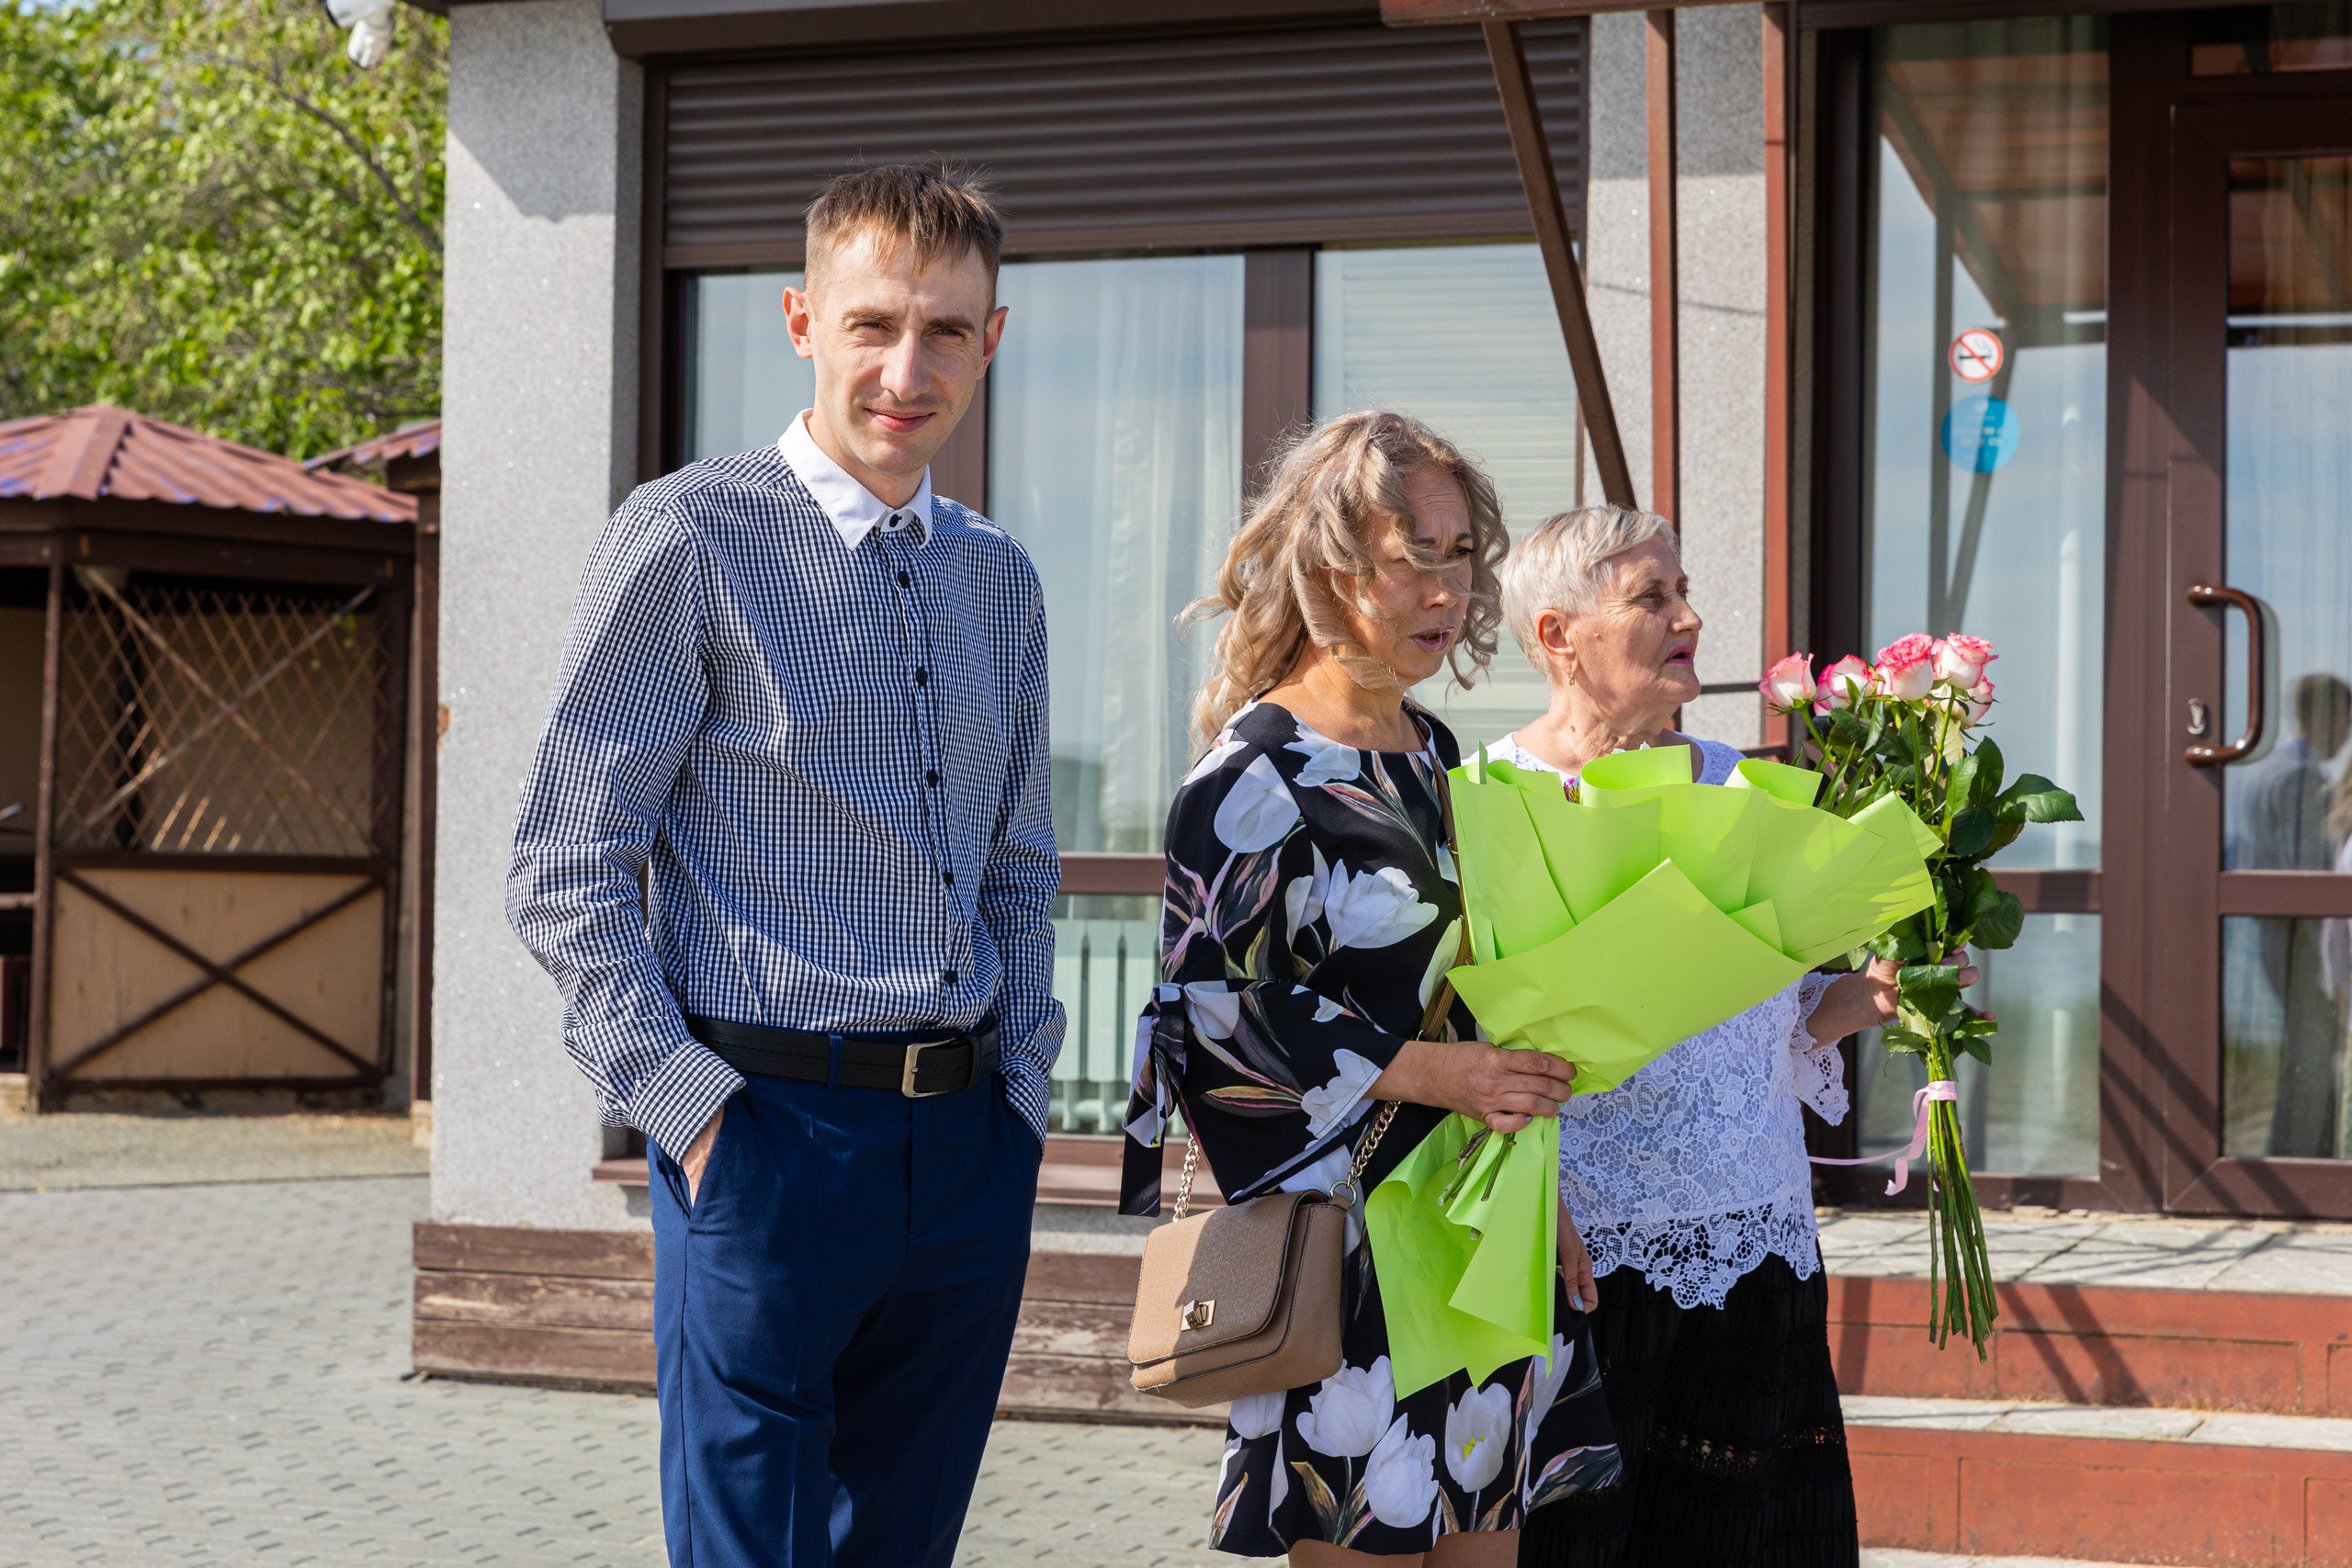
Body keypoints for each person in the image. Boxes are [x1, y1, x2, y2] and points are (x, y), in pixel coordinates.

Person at [505, 165, 1061, 1568]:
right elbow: (566, 863)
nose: (906, 370)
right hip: (766, 1135)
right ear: (804, 321)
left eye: (945, 331)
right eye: (874, 324)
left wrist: (1022, 1091)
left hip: (967, 1145)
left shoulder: (1002, 578)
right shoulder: (687, 536)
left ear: (991, 340)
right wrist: (693, 1118)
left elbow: (1018, 864)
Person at [1118, 412, 1620, 1565]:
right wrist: (1438, 1074)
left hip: (1476, 1227)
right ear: (1333, 564)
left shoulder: (1433, 753)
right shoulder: (1252, 775)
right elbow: (1213, 1013)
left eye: (1461, 554)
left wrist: (1540, 1192)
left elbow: (1474, 986)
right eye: (1415, 557)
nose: (1447, 589)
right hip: (1344, 1243)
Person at [1498, 506, 1976, 1568]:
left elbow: (1779, 1012)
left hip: (1756, 1237)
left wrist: (1871, 996)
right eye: (1652, 598)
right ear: (1556, 634)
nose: (1690, 618)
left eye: (1683, 591)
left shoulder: (1738, 783)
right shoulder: (1489, 799)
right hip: (1582, 1252)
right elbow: (1475, 1049)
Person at [2231, 672, 2352, 1156]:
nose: (2347, 734)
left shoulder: (2260, 770)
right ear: (2326, 715)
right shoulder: (2305, 778)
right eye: (2346, 719)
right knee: (2311, 1063)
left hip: (2272, 933)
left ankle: (2290, 1155)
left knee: (2301, 1057)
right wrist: (2330, 966)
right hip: (2301, 940)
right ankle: (2303, 1164)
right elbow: (2310, 877)